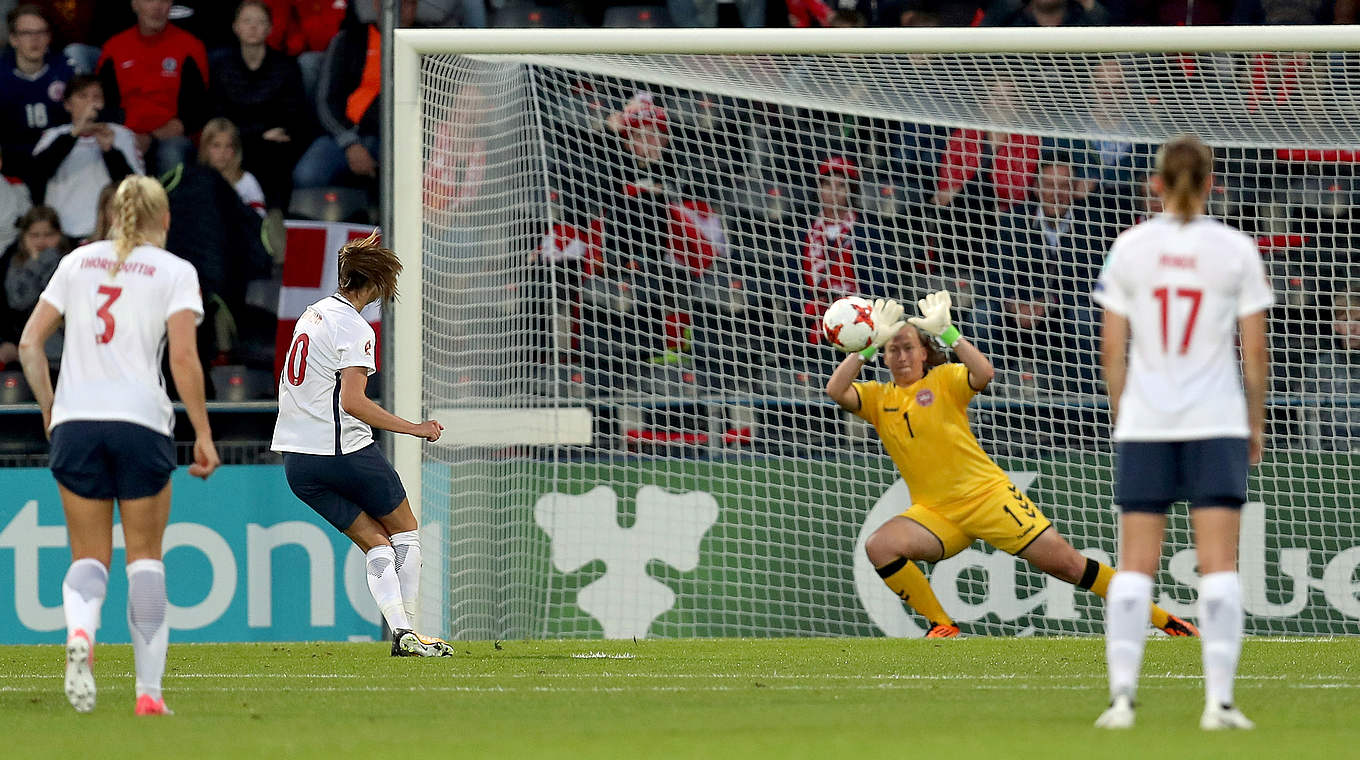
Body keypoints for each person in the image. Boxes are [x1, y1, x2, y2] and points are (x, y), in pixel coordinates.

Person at [825, 292, 1198, 640]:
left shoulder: (944, 379)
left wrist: (950, 334)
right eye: (893, 351)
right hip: (935, 514)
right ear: (884, 357)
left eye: (908, 348)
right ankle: (942, 627)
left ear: (924, 354)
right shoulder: (878, 398)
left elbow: (984, 374)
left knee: (1067, 565)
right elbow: (835, 391)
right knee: (880, 546)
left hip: (989, 498)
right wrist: (870, 344)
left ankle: (1165, 620)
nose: (902, 357)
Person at [18, 175, 220, 715]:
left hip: (77, 421)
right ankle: (148, 695)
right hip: (140, 422)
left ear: (109, 215)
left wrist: (49, 409)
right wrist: (201, 432)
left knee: (88, 556)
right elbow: (182, 358)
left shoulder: (78, 261)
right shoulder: (175, 271)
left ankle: (81, 631)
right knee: (146, 559)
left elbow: (30, 343)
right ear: (165, 220)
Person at [1092, 135, 1272, 731]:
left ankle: (1121, 699)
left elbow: (1112, 347)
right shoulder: (1236, 249)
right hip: (1215, 420)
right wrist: (1255, 420)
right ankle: (1219, 703)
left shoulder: (1131, 247)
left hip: (1147, 422)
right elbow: (1253, 355)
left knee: (1135, 563)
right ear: (1212, 181)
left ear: (1157, 184)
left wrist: (1125, 415)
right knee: (1220, 564)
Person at [271, 230, 453, 657]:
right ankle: (408, 632)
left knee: (375, 542)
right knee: (406, 533)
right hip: (342, 451)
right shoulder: (354, 328)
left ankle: (403, 635)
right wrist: (414, 428)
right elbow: (353, 402)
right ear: (374, 284)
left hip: (297, 462)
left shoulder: (310, 315)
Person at [209, 0, 311, 213]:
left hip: (274, 148)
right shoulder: (220, 66)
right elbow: (219, 115)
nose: (253, 27)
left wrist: (251, 129)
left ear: (270, 28)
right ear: (235, 27)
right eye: (247, 21)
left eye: (260, 22)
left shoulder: (286, 67)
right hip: (234, 142)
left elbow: (293, 116)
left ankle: (274, 227)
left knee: (275, 156)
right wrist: (259, 133)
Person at [96, 0, 210, 175]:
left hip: (170, 138)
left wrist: (151, 138)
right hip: (125, 134)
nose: (157, 7)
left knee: (171, 154)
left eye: (164, 0)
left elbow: (195, 114)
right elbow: (103, 105)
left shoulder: (190, 47)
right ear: (135, 5)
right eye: (149, 0)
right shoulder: (114, 48)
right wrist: (128, 138)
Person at [29, 74, 142, 241]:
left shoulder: (122, 136)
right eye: (82, 96)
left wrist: (110, 151)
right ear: (68, 105)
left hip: (108, 235)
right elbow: (37, 175)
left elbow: (134, 187)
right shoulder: (53, 136)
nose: (91, 103)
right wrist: (74, 134)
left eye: (97, 97)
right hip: (61, 236)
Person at [0, 4, 74, 187]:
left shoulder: (66, 70)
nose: (35, 39)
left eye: (41, 32)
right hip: (13, 165)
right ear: (13, 38)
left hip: (61, 161)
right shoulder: (1, 75)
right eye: (27, 33)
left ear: (49, 37)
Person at [0, 204, 70, 368]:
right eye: (34, 235)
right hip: (26, 350)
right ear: (23, 237)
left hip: (61, 350)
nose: (41, 241)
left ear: (59, 235)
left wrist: (43, 260)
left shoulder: (68, 261)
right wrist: (37, 263)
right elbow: (17, 301)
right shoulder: (15, 262)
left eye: (48, 235)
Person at [199, 117, 266, 216]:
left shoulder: (247, 181)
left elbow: (259, 219)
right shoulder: (196, 181)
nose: (222, 152)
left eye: (228, 146)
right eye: (216, 145)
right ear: (205, 148)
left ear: (235, 149)